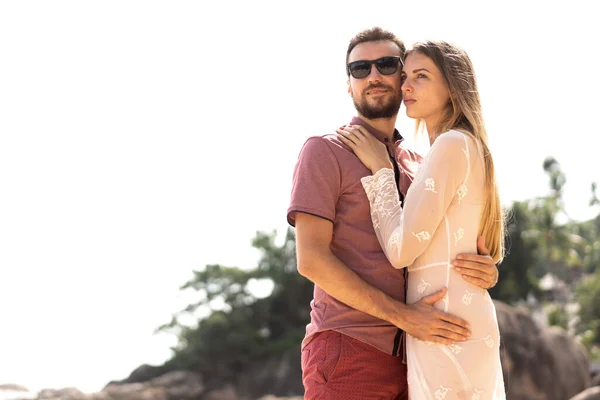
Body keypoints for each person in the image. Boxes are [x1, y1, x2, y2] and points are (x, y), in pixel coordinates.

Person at [287, 27, 499, 400]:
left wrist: (485, 267)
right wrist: (404, 316)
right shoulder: (324, 151)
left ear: (402, 79)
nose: (373, 75)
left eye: (386, 64)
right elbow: (312, 260)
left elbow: (450, 242)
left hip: (422, 350)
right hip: (351, 346)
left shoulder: (423, 163)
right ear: (348, 84)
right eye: (359, 69)